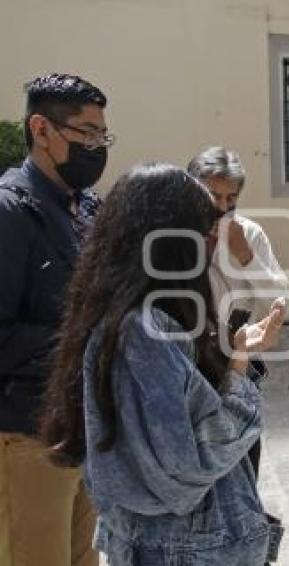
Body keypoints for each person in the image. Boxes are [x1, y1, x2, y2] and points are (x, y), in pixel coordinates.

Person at [40, 163, 284, 565]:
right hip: (181, 547)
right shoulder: (143, 332)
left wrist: (237, 352)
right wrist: (240, 371)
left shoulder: (133, 316)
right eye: (206, 232)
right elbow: (189, 469)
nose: (213, 244)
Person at [0, 73, 111, 566]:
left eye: (101, 136)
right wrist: (86, 340)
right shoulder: (9, 211)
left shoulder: (86, 207)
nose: (95, 146)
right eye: (85, 133)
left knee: (83, 557)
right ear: (41, 129)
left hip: (81, 424)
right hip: (28, 432)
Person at [187, 146, 289, 476]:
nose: (221, 206)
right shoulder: (173, 233)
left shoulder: (250, 234)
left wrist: (246, 256)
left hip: (238, 358)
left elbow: (279, 299)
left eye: (230, 197)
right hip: (186, 362)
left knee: (243, 456)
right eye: (213, 195)